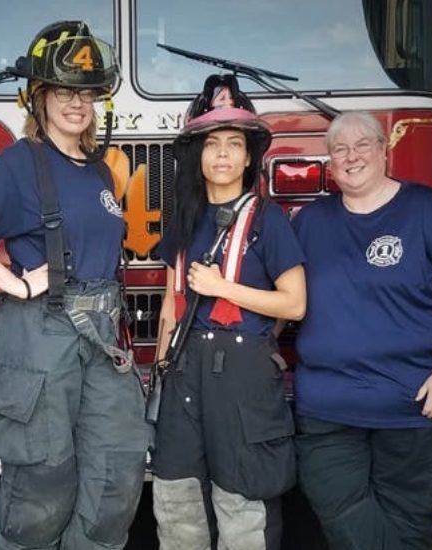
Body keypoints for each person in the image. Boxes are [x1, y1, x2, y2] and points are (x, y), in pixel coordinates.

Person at [0, 21, 151, 550]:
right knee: (43, 485)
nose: (76, 103)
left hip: (99, 338)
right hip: (40, 336)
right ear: (37, 98)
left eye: (86, 93)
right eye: (62, 92)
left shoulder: (99, 170)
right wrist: (11, 282)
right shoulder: (18, 163)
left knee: (116, 477)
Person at [290, 111, 432, 549]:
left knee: (410, 521)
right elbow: (287, 295)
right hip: (328, 409)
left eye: (363, 144)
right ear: (330, 161)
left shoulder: (431, 212)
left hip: (417, 407)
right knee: (337, 509)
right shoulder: (309, 222)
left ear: (385, 150)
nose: (351, 156)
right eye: (340, 149)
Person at [151, 74, 307, 550]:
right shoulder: (185, 219)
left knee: (243, 500)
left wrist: (225, 289)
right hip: (182, 372)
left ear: (247, 156)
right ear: (197, 156)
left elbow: (294, 303)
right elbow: (169, 303)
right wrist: (161, 366)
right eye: (211, 144)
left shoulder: (268, 219)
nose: (221, 154)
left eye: (233, 144)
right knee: (175, 496)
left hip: (242, 375)